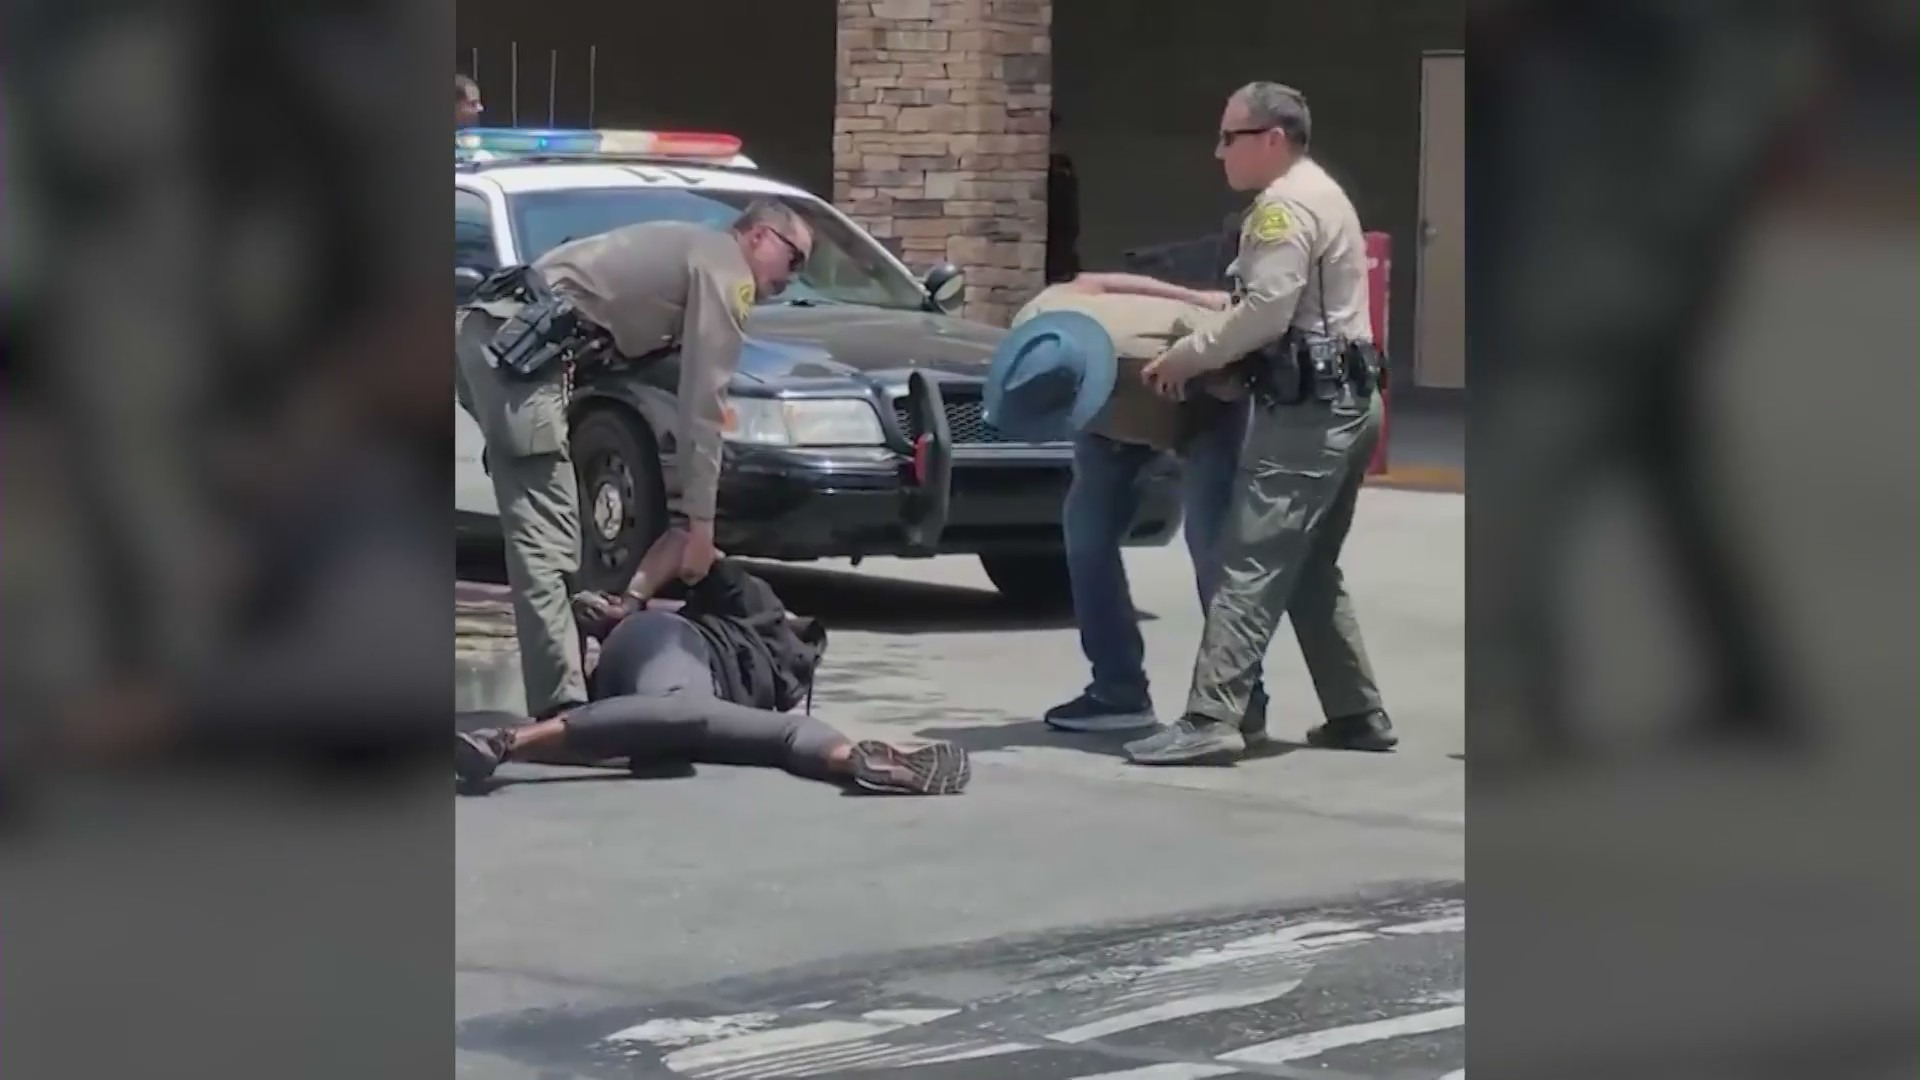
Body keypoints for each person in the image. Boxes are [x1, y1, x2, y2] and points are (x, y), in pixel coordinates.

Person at [454, 200, 813, 720]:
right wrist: (702, 526)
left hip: (496, 338)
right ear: (759, 236)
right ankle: (564, 713)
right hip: (516, 350)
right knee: (547, 536)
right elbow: (704, 406)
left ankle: (578, 666)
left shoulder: (690, 249)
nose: (791, 279)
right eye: (794, 259)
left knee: (555, 516)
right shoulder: (727, 270)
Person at [1123, 81, 1394, 765]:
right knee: (1309, 568)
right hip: (1351, 402)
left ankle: (1213, 715)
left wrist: (1187, 356)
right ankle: (1357, 713)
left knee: (1248, 561)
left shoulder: (1282, 209)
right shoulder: (1323, 191)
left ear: (1272, 139)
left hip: (1309, 414)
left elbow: (1266, 310)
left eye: (1229, 137)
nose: (1219, 154)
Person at [454, 528, 970, 795]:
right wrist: (631, 604)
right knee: (685, 710)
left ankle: (861, 759)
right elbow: (685, 542)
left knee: (777, 733)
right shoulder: (761, 610)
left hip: (683, 692)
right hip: (672, 647)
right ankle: (504, 744)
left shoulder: (775, 666)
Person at [994, 283, 1272, 741]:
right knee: (1084, 533)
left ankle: (1240, 698)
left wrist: (1198, 302)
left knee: (1210, 544)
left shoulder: (1155, 348)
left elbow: (1237, 377)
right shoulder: (1037, 321)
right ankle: (1117, 691)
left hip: (1200, 399)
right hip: (1108, 419)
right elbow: (1093, 281)